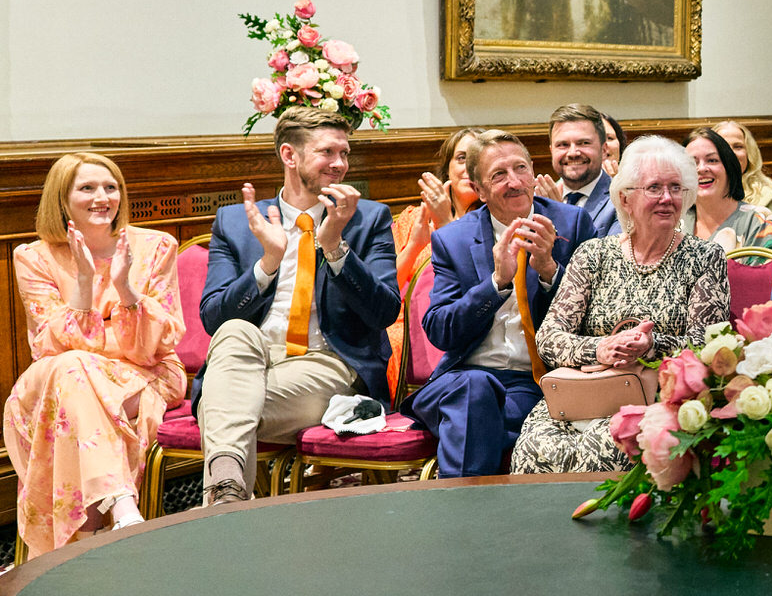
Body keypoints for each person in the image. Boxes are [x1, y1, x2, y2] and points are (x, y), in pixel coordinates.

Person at [198, 107, 400, 507]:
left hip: (328, 362)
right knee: (235, 331)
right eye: (327, 153)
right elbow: (213, 318)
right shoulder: (237, 222)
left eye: (345, 153)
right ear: (290, 156)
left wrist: (335, 245)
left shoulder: (368, 218)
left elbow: (384, 313)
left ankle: (223, 493)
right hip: (248, 359)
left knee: (220, 406)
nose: (340, 164)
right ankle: (229, 502)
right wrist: (267, 262)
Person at [4, 154, 186, 557]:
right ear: (62, 199)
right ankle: (121, 505)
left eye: (111, 186)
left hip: (147, 374)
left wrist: (124, 289)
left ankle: (74, 555)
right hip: (59, 377)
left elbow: (159, 341)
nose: (102, 197)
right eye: (87, 188)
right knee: (72, 371)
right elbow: (49, 344)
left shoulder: (156, 247)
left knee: (73, 375)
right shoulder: (32, 257)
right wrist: (85, 283)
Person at [511, 137, 729, 474]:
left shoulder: (705, 258)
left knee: (604, 447)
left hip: (657, 396)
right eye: (654, 188)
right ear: (625, 199)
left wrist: (652, 346)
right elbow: (550, 338)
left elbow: (708, 346)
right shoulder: (594, 255)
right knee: (534, 446)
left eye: (676, 188)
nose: (668, 198)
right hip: (582, 395)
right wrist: (602, 348)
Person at [414, 132, 593, 477]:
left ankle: (461, 513)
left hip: (533, 379)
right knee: (475, 390)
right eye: (498, 175)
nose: (514, 183)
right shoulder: (453, 238)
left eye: (521, 169)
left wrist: (549, 271)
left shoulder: (572, 223)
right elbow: (440, 330)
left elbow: (596, 312)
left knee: (476, 417)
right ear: (479, 190)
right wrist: (495, 284)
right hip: (464, 375)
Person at [385, 127, 480, 399]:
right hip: (398, 324)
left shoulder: (490, 222)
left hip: (455, 328)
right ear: (447, 169)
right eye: (461, 158)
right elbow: (386, 286)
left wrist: (444, 225)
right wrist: (415, 245)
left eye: (476, 158)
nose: (468, 166)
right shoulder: (413, 217)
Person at [685, 127, 772, 253]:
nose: (701, 168)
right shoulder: (674, 222)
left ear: (729, 168)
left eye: (712, 160)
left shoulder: (759, 223)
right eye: (692, 162)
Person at [539, 103, 621, 237]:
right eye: (563, 145)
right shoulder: (536, 200)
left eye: (584, 143)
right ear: (551, 151)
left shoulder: (622, 202)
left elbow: (604, 257)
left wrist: (560, 216)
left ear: (604, 149)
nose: (572, 153)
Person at [713, 119, 772, 228]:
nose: (731, 153)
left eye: (738, 147)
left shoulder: (768, 198)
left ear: (749, 154)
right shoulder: (697, 195)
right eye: (723, 146)